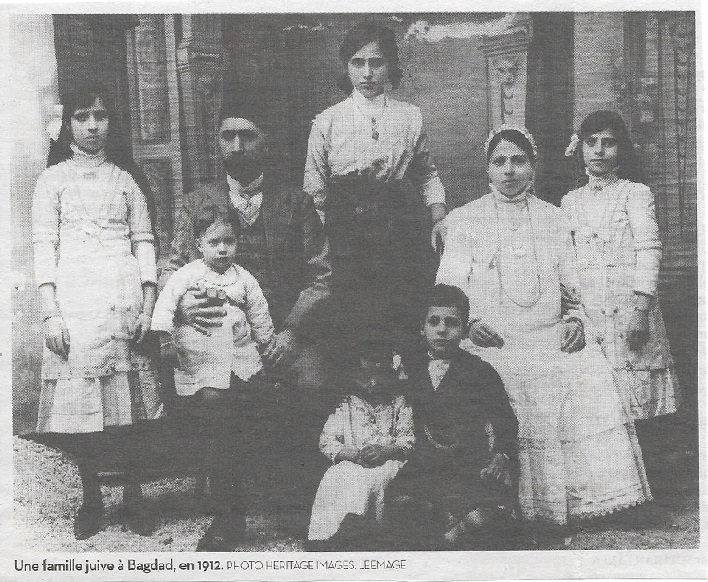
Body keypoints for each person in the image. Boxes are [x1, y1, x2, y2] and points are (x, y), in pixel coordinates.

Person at [436, 125, 652, 544]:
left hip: (547, 334)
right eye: (499, 161)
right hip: (489, 339)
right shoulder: (464, 219)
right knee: (498, 375)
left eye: (518, 160)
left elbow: (573, 290)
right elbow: (448, 289)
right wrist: (470, 322)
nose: (509, 170)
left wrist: (575, 321)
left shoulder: (555, 217)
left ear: (533, 165)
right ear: (487, 168)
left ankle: (582, 502)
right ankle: (507, 504)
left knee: (588, 367)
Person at [161, 92, 332, 531]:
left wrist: (291, 331)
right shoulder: (196, 203)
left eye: (247, 136)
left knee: (312, 382)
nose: (236, 147)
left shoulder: (296, 203)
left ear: (265, 141)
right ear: (217, 142)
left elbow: (321, 275)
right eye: (227, 136)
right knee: (215, 397)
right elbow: (172, 268)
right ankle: (228, 515)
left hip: (283, 333)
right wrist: (184, 307)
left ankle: (297, 506)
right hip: (218, 333)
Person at [32, 84, 163, 539]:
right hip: (76, 302)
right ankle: (91, 497)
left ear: (112, 122)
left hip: (123, 299)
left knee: (130, 407)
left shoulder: (126, 180)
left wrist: (148, 306)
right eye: (82, 116)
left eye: (101, 116)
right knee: (81, 406)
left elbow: (144, 242)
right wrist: (50, 313)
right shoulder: (51, 181)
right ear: (68, 123)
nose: (92, 126)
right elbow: (43, 247)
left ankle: (134, 494)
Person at [303, 21, 446, 350]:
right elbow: (315, 193)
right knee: (354, 323)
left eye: (376, 62)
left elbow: (427, 175)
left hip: (399, 232)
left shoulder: (409, 116)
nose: (367, 73)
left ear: (390, 65)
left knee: (400, 319)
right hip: (345, 235)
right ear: (346, 66)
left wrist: (438, 217)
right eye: (358, 63)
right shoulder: (327, 121)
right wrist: (321, 248)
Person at [562, 111, 680, 488]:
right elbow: (567, 262)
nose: (599, 151)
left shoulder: (635, 193)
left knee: (637, 401)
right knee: (600, 405)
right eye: (591, 142)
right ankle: (612, 489)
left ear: (621, 149)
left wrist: (640, 309)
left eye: (608, 142)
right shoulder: (570, 202)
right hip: (592, 315)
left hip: (630, 311)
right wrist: (574, 314)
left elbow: (649, 249)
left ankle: (649, 489)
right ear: (580, 148)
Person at [151, 204, 274, 551]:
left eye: (229, 242)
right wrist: (165, 341)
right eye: (214, 242)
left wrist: (268, 344)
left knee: (240, 414)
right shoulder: (187, 275)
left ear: (238, 243)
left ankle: (235, 501)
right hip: (201, 362)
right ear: (198, 244)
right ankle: (226, 508)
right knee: (214, 410)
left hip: (238, 358)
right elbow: (165, 305)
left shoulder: (244, 279)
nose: (222, 250)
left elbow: (260, 315)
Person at [386, 284, 519, 550]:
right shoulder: (409, 366)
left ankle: (457, 529)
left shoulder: (480, 371)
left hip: (468, 464)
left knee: (491, 518)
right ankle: (444, 527)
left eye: (452, 323)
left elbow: (505, 419)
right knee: (401, 507)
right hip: (424, 463)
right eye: (433, 321)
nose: (442, 330)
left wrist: (500, 456)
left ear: (464, 328)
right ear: (422, 327)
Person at [306, 339, 414, 551]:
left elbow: (407, 439)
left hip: (387, 461)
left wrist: (385, 451)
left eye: (379, 375)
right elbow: (327, 440)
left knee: (380, 477)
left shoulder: (399, 403)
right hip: (355, 460)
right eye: (366, 377)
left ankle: (365, 530)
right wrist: (353, 455)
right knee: (339, 474)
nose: (373, 384)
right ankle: (328, 533)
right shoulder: (347, 405)